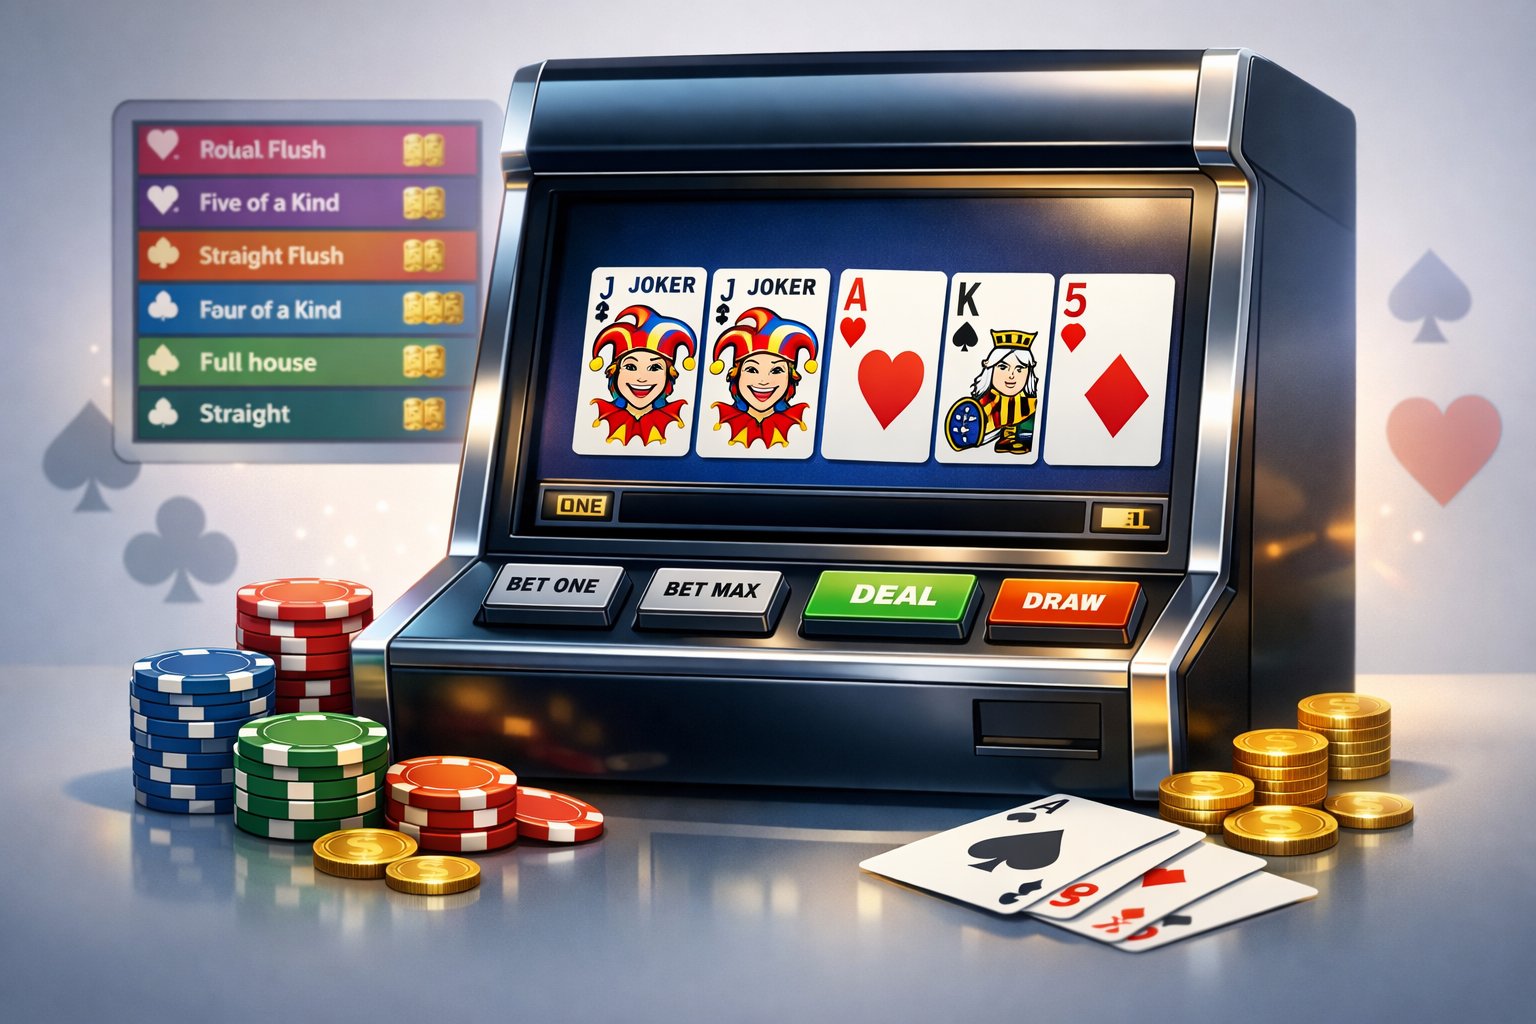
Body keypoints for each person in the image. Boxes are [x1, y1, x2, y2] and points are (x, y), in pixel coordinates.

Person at [707, 307, 819, 449]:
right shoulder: (724, 418)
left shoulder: (796, 421)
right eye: (752, 370)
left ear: (790, 377)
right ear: (736, 374)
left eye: (777, 370)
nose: (763, 381)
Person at [587, 304, 697, 446]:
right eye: (631, 367)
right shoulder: (604, 413)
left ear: (669, 374)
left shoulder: (672, 416)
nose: (641, 378)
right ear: (615, 371)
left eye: (655, 367)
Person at [956, 329, 1039, 454]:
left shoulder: (1031, 406)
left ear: (1028, 373)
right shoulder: (978, 406)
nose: (1011, 375)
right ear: (990, 369)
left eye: (1020, 369)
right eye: (1003, 367)